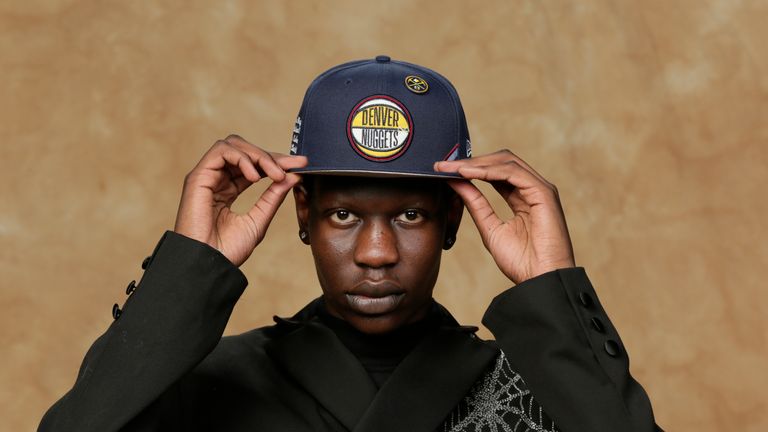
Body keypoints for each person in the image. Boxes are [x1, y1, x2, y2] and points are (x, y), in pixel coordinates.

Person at [39, 56, 661, 431]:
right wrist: (186, 270)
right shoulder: (208, 383)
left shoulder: (536, 392)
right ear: (300, 212)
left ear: (454, 221)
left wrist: (551, 285)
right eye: (342, 215)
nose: (375, 253)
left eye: (412, 214)